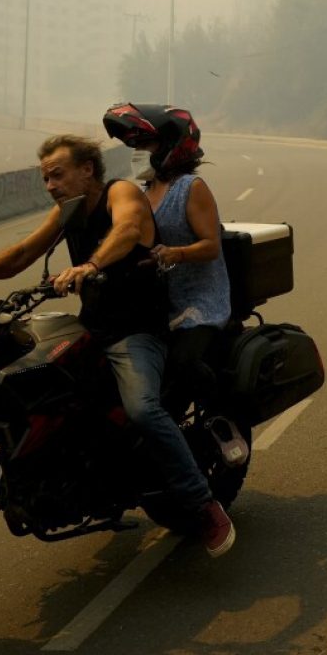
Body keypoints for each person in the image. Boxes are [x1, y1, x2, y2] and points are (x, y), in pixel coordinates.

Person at [0, 134, 235, 557]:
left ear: (87, 170)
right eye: (45, 179)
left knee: (142, 410)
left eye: (57, 175)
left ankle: (203, 504)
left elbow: (129, 228)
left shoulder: (121, 193)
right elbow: (22, 253)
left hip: (136, 332)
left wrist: (91, 264)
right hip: (91, 327)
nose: (51, 185)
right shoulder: (68, 211)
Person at [102, 103, 244, 460]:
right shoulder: (142, 193)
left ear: (170, 147)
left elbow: (210, 246)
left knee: (180, 365)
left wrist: (174, 254)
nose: (138, 155)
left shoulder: (190, 187)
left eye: (145, 146)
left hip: (200, 300)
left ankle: (222, 417)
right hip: (162, 301)